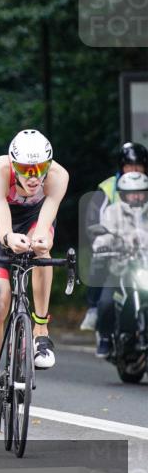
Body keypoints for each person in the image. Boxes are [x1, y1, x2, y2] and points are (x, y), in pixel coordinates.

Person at [0, 130, 69, 430]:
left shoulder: (58, 177)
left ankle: (41, 330)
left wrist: (38, 240)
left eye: (39, 168)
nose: (33, 176)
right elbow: (1, 215)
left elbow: (45, 220)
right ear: (13, 164)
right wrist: (7, 238)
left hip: (33, 219)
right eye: (26, 170)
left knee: (43, 252)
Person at [80, 142, 148, 332]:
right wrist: (104, 240)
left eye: (138, 166)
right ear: (121, 167)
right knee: (100, 263)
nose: (134, 170)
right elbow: (94, 220)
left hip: (144, 251)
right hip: (117, 251)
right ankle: (93, 309)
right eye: (129, 166)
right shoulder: (109, 187)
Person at [91, 171, 148, 356]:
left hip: (144, 266)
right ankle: (106, 338)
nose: (136, 196)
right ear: (122, 194)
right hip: (119, 267)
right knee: (106, 302)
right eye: (132, 193)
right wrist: (104, 246)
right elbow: (103, 235)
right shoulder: (112, 211)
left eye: (141, 192)